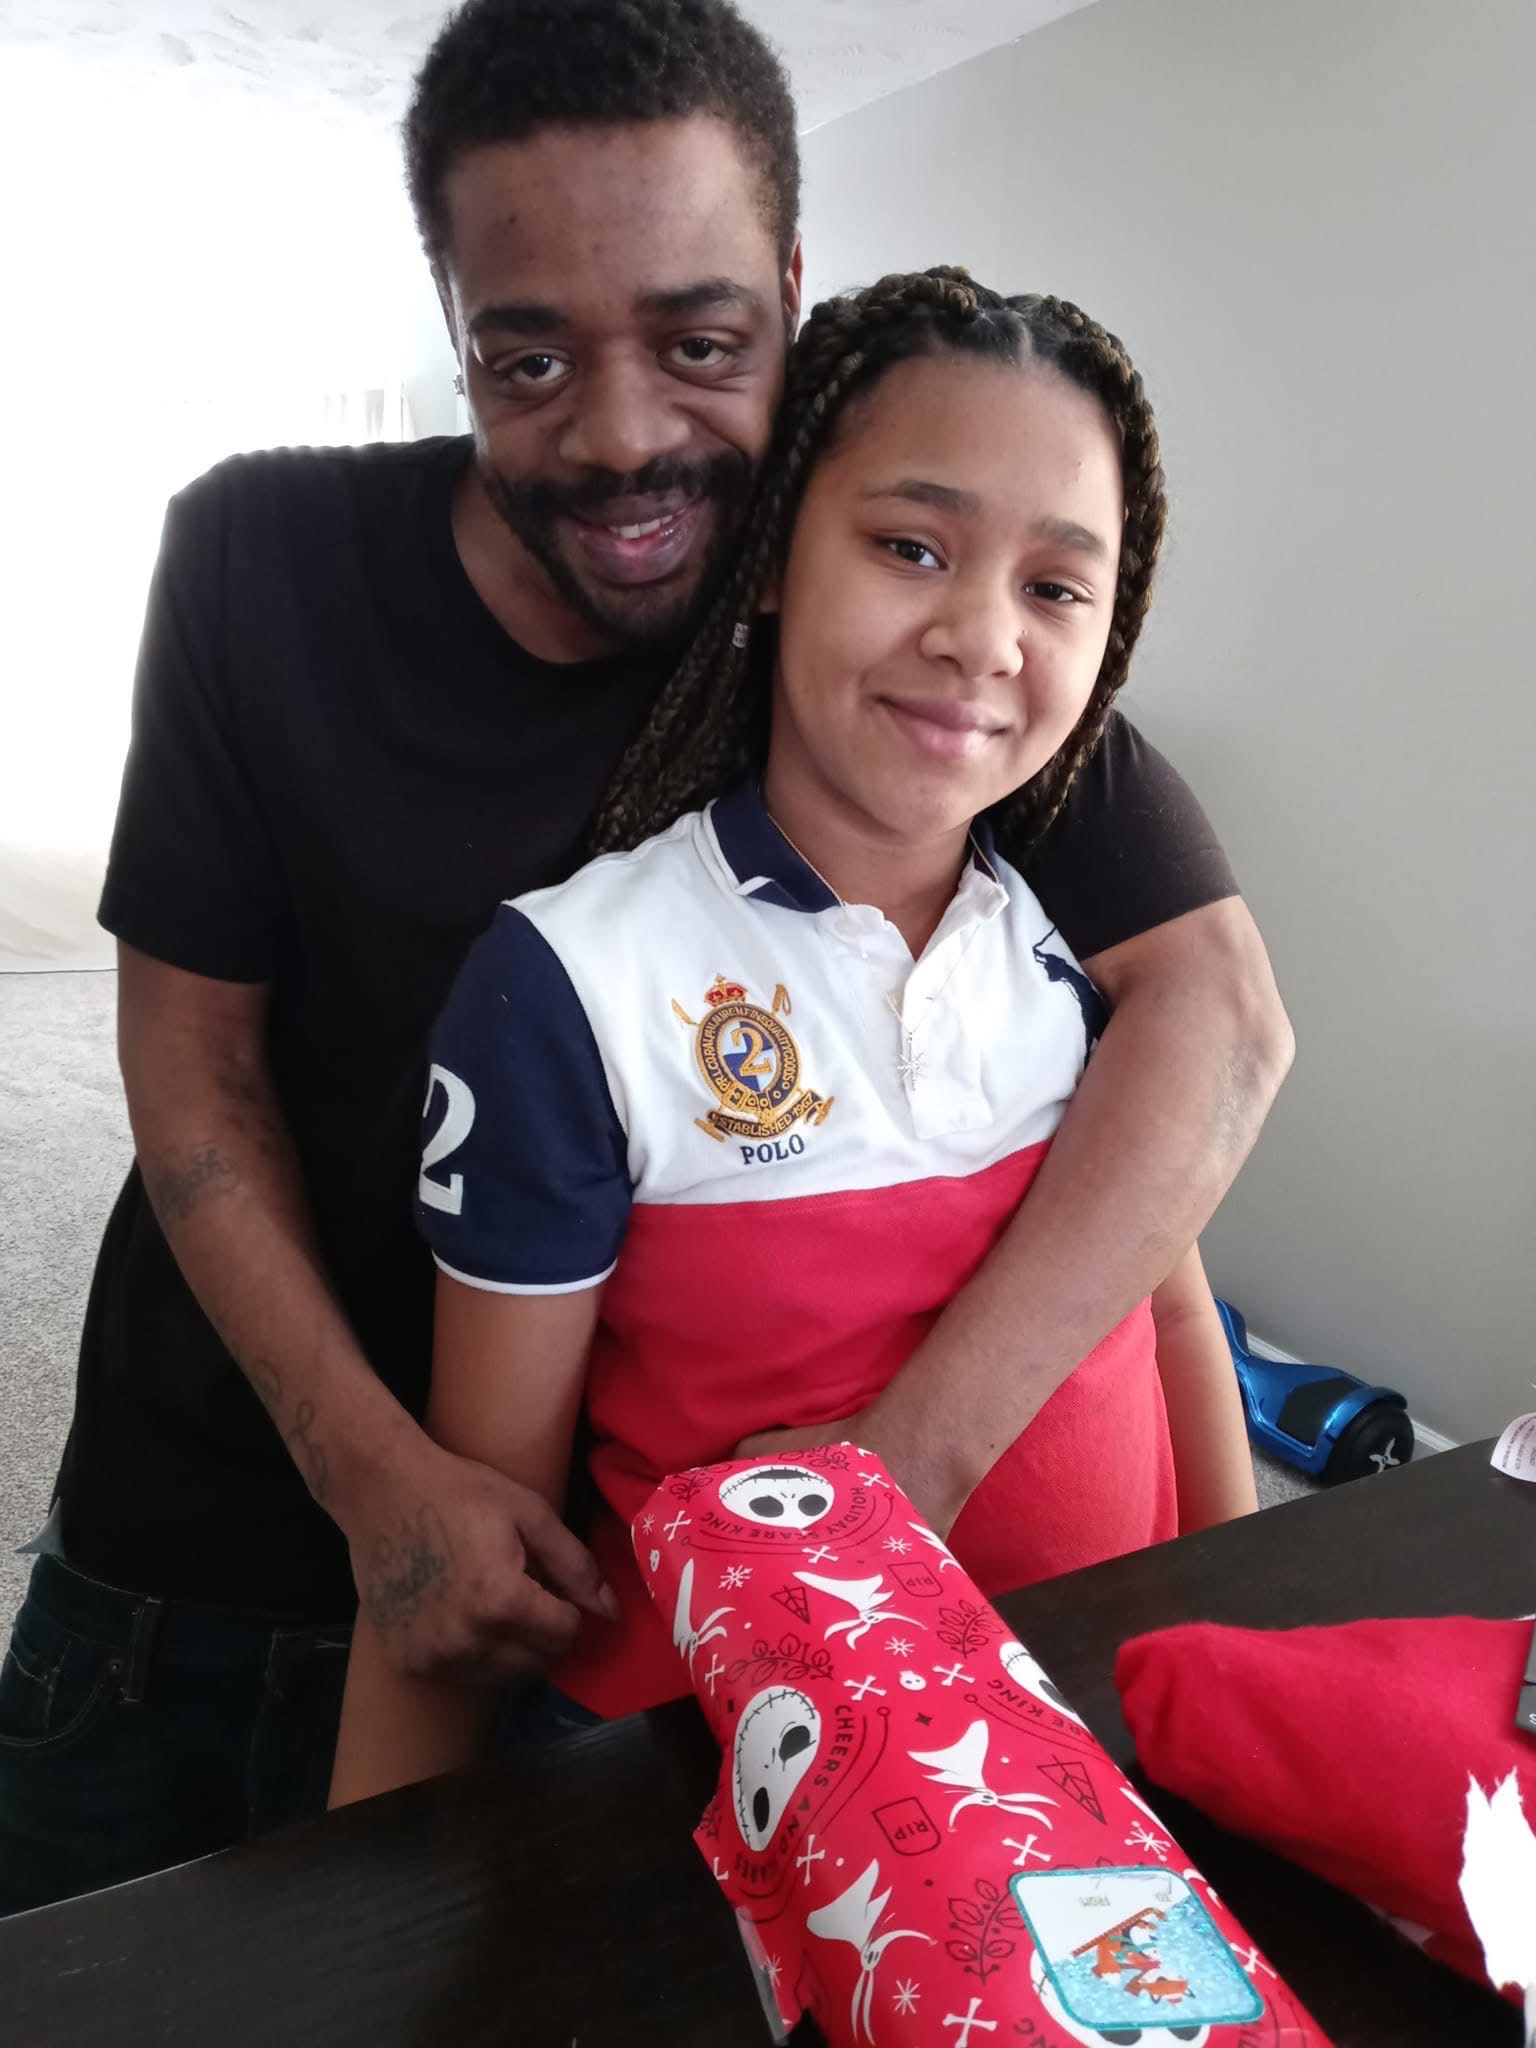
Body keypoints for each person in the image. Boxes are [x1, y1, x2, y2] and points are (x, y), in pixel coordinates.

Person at [0, 0, 1289, 1916]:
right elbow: (190, 1064)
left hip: (630, 1561)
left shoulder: (879, 639)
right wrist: (370, 1477)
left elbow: (1218, 1016)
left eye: (699, 345)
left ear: (789, 297)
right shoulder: (261, 559)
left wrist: (900, 1485)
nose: (621, 438)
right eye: (528, 357)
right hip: (225, 1517)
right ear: (453, 324)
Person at [329, 269, 1260, 1803]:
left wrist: (1244, 1646)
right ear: (771, 557)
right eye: (911, 548)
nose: (981, 637)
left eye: (1055, 587)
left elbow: (1164, 1319)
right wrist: (372, 1899)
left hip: (1099, 1748)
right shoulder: (573, 982)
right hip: (738, 1792)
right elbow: (482, 1552)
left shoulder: (1091, 936)